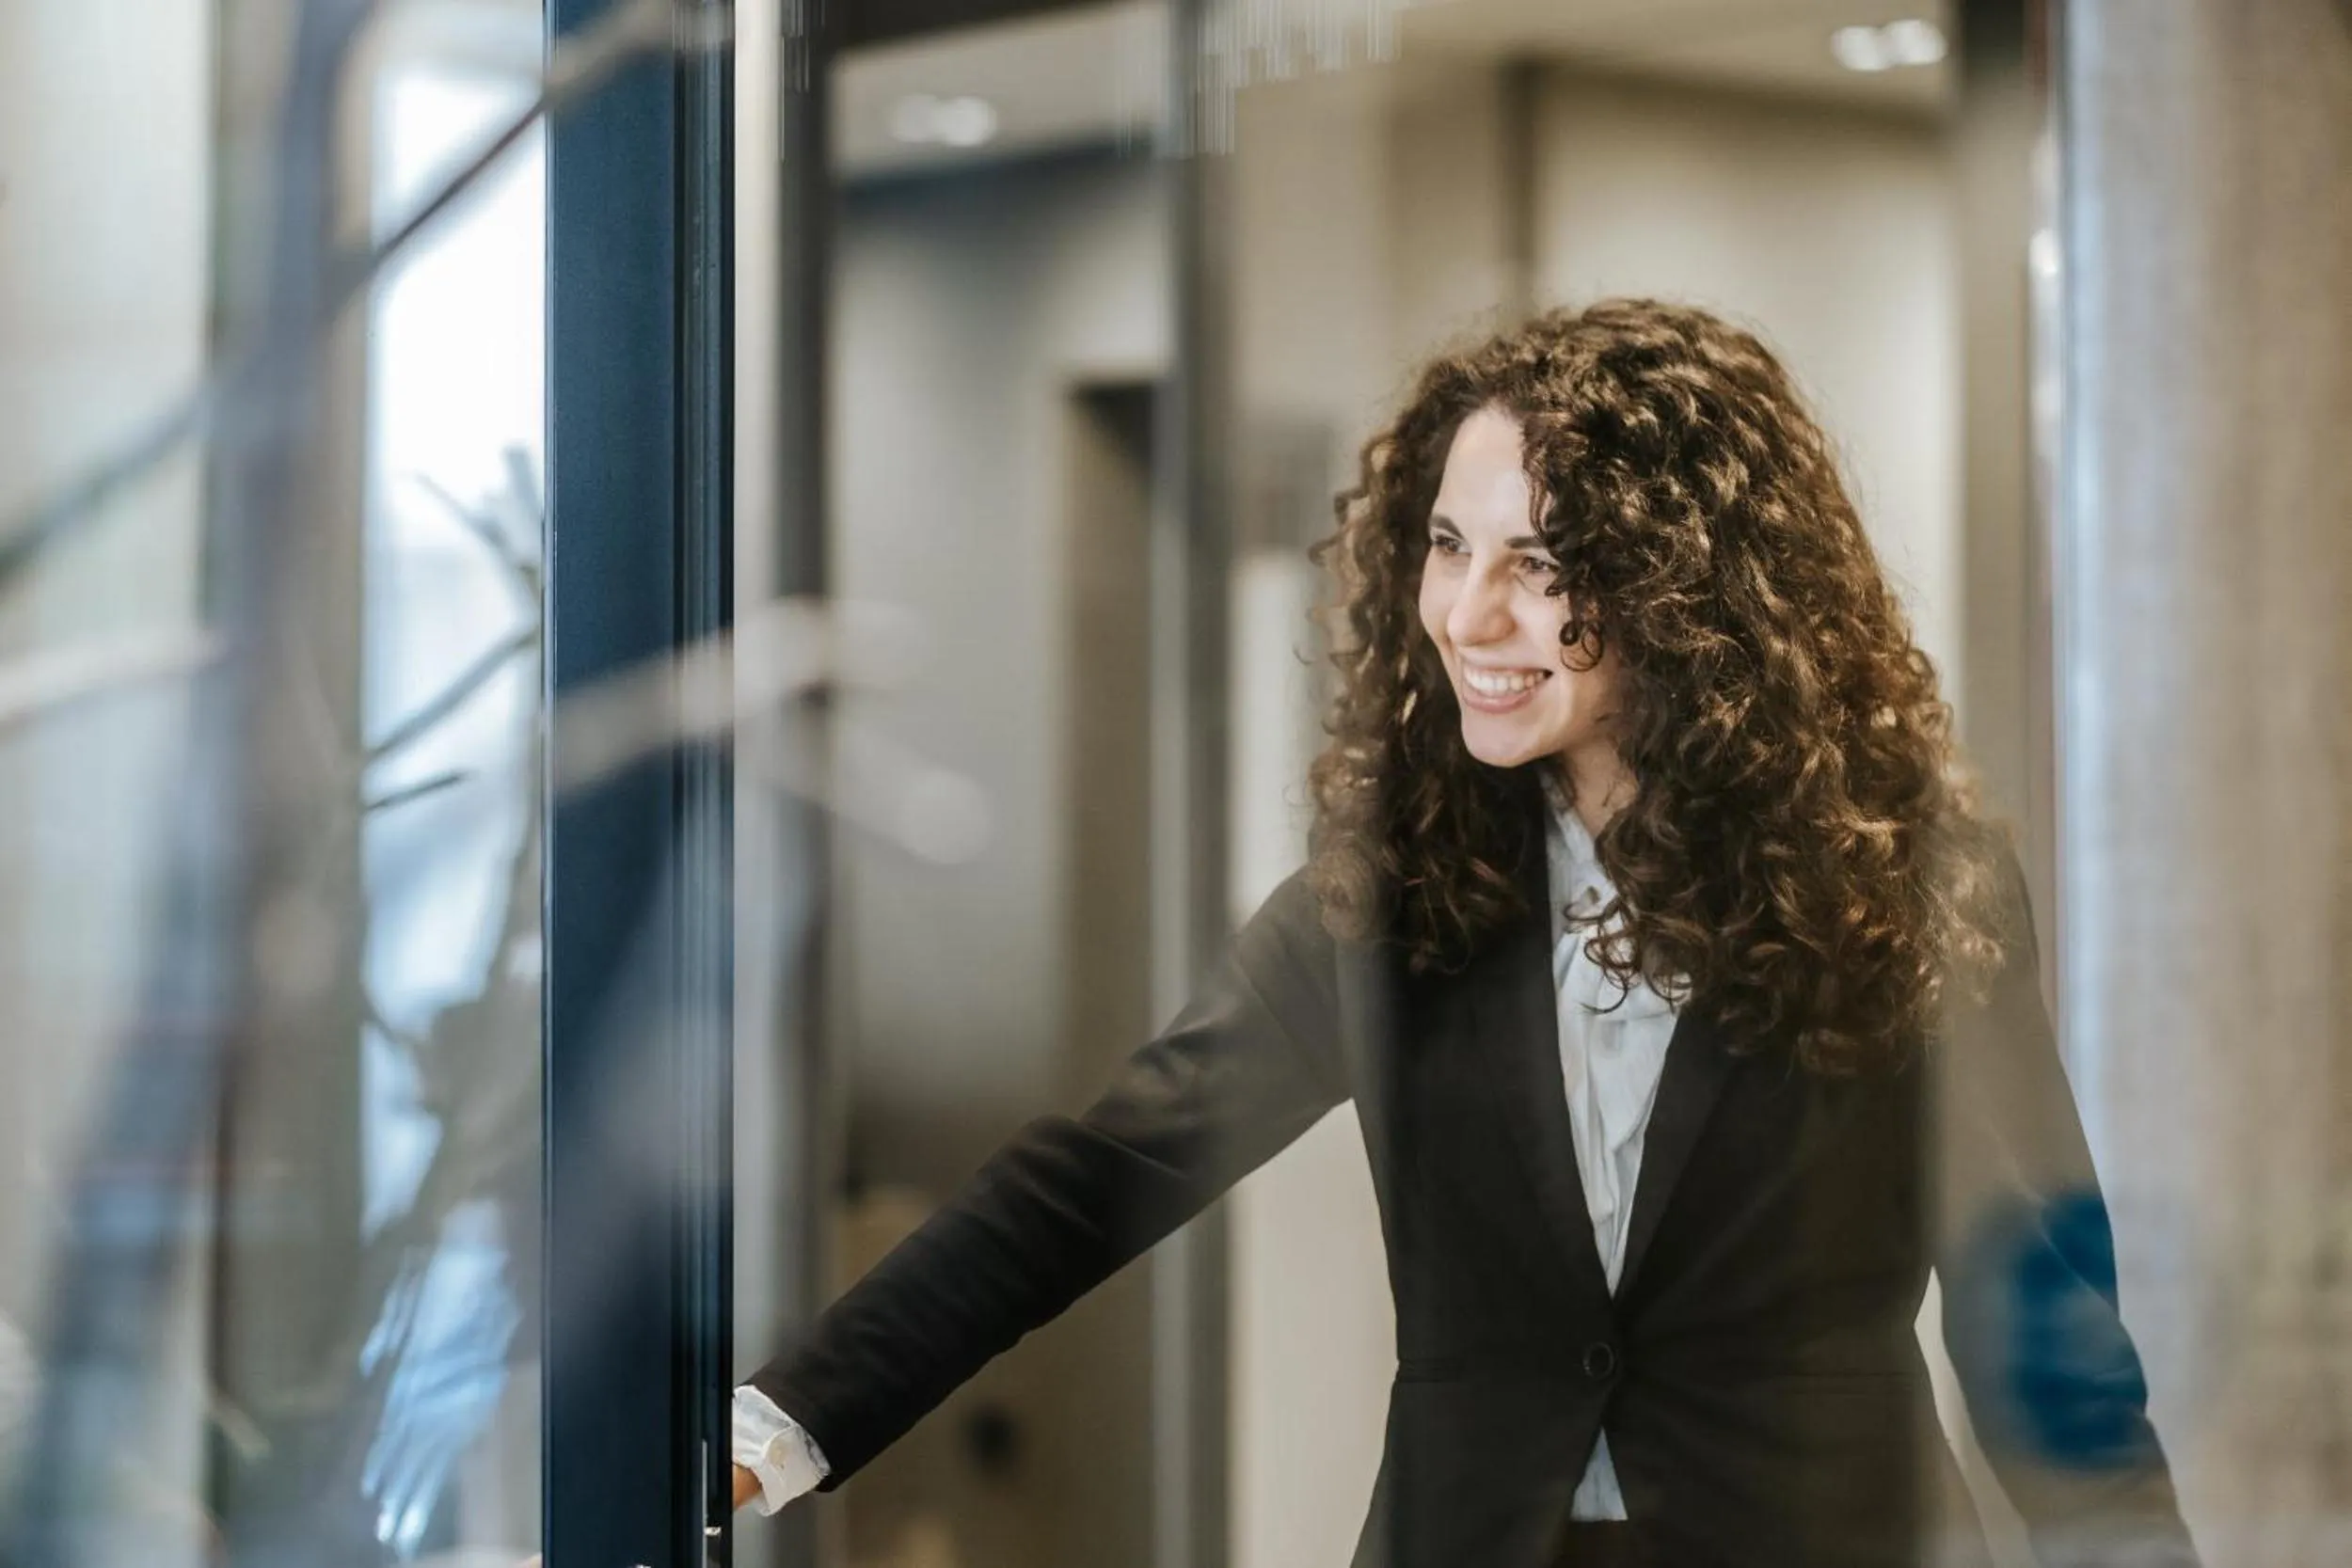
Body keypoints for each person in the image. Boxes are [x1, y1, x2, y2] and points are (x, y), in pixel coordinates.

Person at [724, 301, 2198, 1566]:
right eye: (1446, 545)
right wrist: (776, 1427)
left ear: (1690, 588)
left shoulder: (1900, 877)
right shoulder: (1391, 893)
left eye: (1542, 563)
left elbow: (2040, 1321)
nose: (1469, 614)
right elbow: (1096, 1175)